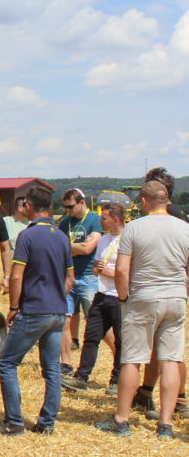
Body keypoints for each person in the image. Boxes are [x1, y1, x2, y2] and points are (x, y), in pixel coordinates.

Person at [96, 181, 189, 438]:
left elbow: (123, 270)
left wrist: (124, 298)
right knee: (170, 359)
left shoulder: (135, 227)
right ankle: (166, 424)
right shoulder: (184, 228)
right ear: (167, 201)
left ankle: (122, 420)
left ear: (144, 202)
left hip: (143, 297)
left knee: (132, 359)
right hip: (175, 298)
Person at [0, 186, 74, 435]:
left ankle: (14, 422)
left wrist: (15, 306)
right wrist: (59, 296)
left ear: (28, 206)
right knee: (51, 369)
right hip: (57, 311)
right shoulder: (61, 236)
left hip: (34, 310)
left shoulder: (28, 236)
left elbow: (17, 277)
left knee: (6, 362)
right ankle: (47, 423)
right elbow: (70, 277)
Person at [133, 166, 189, 417]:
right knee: (166, 349)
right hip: (177, 291)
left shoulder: (164, 217)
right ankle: (147, 393)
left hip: (158, 289)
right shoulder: (181, 216)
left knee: (169, 353)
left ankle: (179, 399)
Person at [61, 203, 124, 395]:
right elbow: (96, 267)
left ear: (115, 219)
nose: (100, 221)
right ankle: (81, 377)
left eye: (104, 218)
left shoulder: (129, 239)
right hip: (102, 293)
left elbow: (133, 271)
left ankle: (116, 380)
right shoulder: (104, 240)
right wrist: (98, 270)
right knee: (91, 336)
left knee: (121, 340)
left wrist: (111, 272)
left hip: (120, 297)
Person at [57, 188, 103, 373]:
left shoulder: (94, 220)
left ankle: (119, 360)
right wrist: (77, 246)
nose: (67, 211)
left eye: (71, 206)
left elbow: (88, 249)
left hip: (88, 277)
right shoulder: (65, 222)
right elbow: (59, 247)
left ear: (82, 202)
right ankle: (66, 363)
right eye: (65, 207)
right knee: (64, 321)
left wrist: (69, 246)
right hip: (68, 277)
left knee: (97, 322)